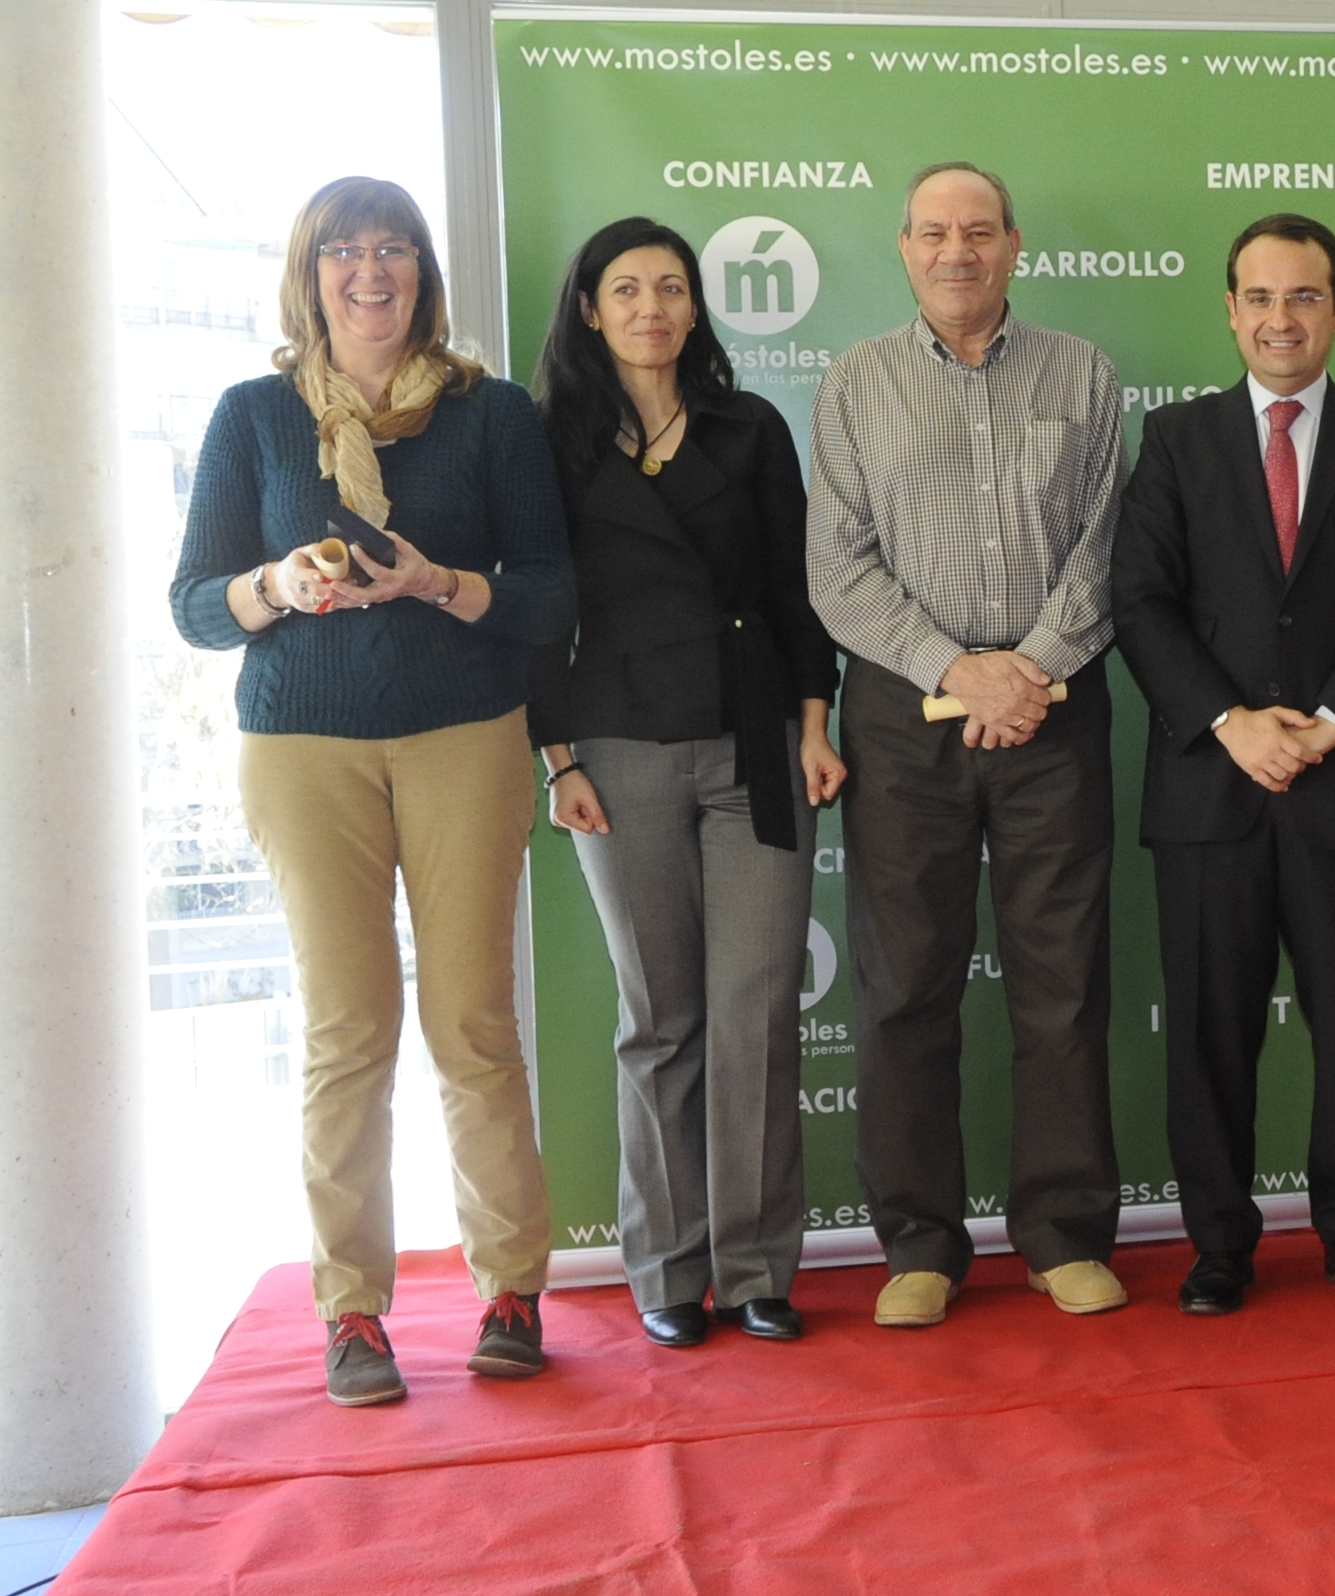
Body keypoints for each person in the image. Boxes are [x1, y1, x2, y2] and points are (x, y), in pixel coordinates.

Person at [169, 177, 575, 1406]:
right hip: (304, 749)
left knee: (473, 1026)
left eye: (393, 248)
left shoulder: (491, 414)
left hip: (465, 737)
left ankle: (511, 1288)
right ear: (311, 274)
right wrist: (277, 587)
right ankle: (352, 1312)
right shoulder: (254, 416)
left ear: (422, 273)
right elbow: (195, 608)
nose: (370, 271)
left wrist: (442, 584)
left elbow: (551, 594)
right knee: (347, 1033)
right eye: (343, 250)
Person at [1112, 213, 1335, 1314]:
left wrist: (1327, 723)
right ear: (1230, 311)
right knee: (1209, 1030)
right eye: (1259, 297)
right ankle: (1219, 1244)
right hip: (1212, 787)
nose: (1281, 318)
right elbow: (1141, 602)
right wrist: (1232, 721)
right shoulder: (1175, 439)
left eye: (1304, 296)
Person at [810, 161, 1129, 1329]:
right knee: (904, 988)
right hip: (907, 713)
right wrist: (958, 669)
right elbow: (837, 568)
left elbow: (1106, 545)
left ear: (1014, 244)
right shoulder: (856, 383)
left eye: (980, 231)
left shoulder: (1082, 374)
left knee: (1063, 983)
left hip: (1053, 705)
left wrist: (1026, 668)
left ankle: (1064, 1235)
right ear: (904, 248)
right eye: (936, 232)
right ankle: (919, 1246)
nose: (959, 251)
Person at [528, 217, 845, 1350]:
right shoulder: (548, 441)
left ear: (697, 307)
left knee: (757, 1016)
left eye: (670, 287)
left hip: (757, 743)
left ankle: (757, 1269)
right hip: (616, 751)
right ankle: (665, 1270)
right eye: (627, 289)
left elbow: (798, 588)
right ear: (590, 308)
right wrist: (558, 757)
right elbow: (534, 611)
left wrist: (815, 723)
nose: (651, 308)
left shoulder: (748, 427)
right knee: (660, 1021)